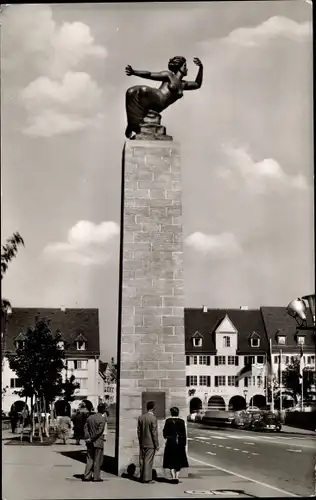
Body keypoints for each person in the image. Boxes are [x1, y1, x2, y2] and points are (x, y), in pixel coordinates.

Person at [125, 56, 203, 138]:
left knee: (139, 91)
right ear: (179, 67)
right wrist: (134, 72)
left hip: (160, 105)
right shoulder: (169, 75)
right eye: (185, 66)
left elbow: (197, 84)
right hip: (157, 96)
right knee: (132, 91)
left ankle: (134, 123)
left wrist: (201, 67)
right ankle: (131, 124)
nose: (186, 69)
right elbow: (150, 74)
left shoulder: (183, 84)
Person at [163, 406, 189, 484]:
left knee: (170, 460)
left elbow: (165, 433)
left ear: (171, 413)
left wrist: (167, 437)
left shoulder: (168, 421)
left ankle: (173, 477)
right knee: (178, 461)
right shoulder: (181, 421)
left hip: (170, 442)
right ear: (178, 413)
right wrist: (184, 444)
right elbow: (184, 433)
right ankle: (177, 477)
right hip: (179, 443)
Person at [83, 403, 107, 482]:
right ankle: (96, 477)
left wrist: (88, 437)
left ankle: (87, 476)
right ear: (103, 410)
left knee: (89, 459)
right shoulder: (102, 419)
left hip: (89, 442)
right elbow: (99, 431)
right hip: (98, 441)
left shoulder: (90, 417)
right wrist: (92, 438)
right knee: (97, 460)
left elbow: (85, 428)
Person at [137, 401, 159, 484]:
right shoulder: (153, 418)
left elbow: (138, 431)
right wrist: (156, 444)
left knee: (142, 460)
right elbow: (154, 432)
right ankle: (147, 478)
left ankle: (142, 477)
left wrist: (140, 440)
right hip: (150, 443)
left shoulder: (141, 417)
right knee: (148, 460)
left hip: (142, 442)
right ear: (153, 408)